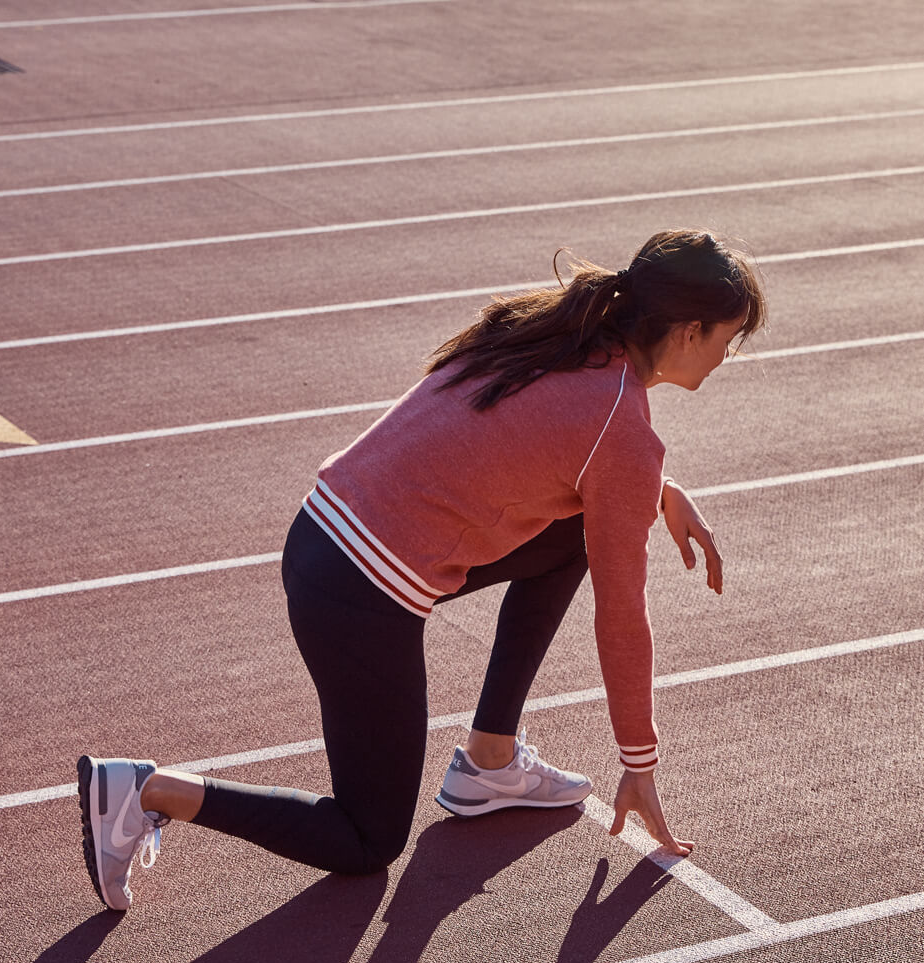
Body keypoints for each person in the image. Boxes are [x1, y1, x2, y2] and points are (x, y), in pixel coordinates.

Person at [77, 229, 766, 912]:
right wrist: (638, 763)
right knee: (366, 839)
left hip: (323, 534)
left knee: (570, 536)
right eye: (726, 340)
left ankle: (490, 760)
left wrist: (655, 488)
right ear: (685, 331)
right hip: (359, 595)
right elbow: (621, 615)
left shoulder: (559, 333)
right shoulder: (619, 425)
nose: (725, 358)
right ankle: (146, 790)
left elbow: (550, 444)